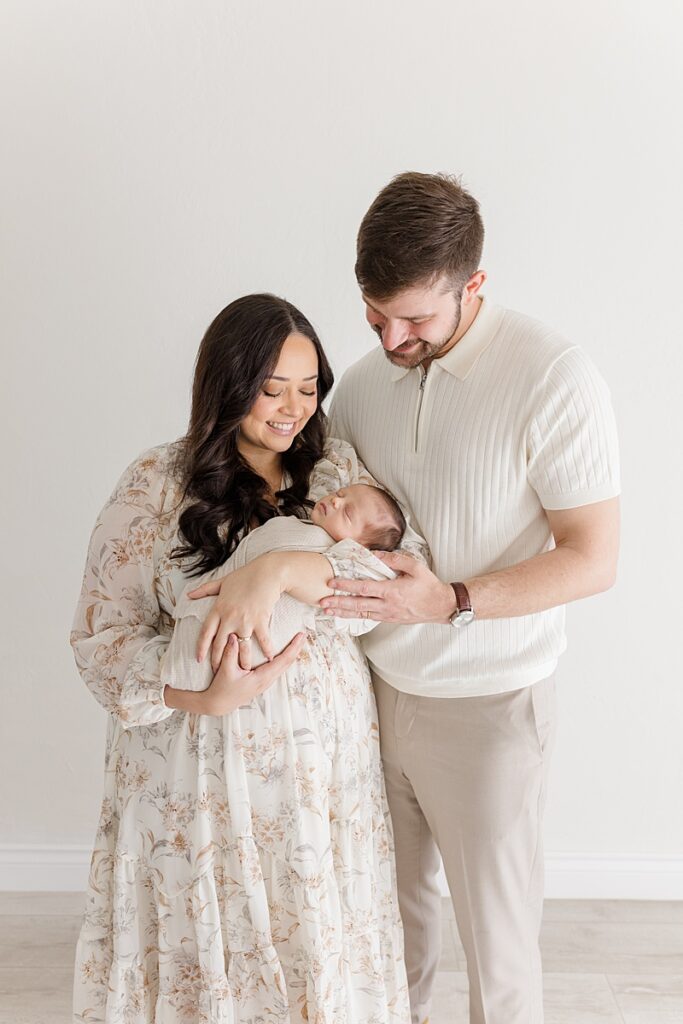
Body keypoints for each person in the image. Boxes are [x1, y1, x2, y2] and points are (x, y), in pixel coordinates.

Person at [317, 172, 621, 1024]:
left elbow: (593, 559)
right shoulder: (361, 386)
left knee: (497, 949)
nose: (391, 337)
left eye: (414, 318)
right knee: (385, 933)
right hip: (370, 697)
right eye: (374, 314)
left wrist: (449, 599)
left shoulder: (553, 376)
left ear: (473, 284)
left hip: (491, 709)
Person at [69, 293, 414, 1024]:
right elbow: (102, 638)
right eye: (272, 388)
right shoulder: (155, 484)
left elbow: (395, 582)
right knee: (213, 955)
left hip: (321, 780)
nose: (293, 410)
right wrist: (199, 697)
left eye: (308, 388)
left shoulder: (334, 471)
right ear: (227, 383)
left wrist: (280, 571)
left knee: (313, 949)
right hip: (197, 776)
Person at [164, 483, 407, 691]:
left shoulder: (344, 567)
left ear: (360, 549)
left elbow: (379, 582)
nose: (335, 501)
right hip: (203, 614)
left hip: (248, 653)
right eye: (340, 493)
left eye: (348, 513)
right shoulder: (296, 525)